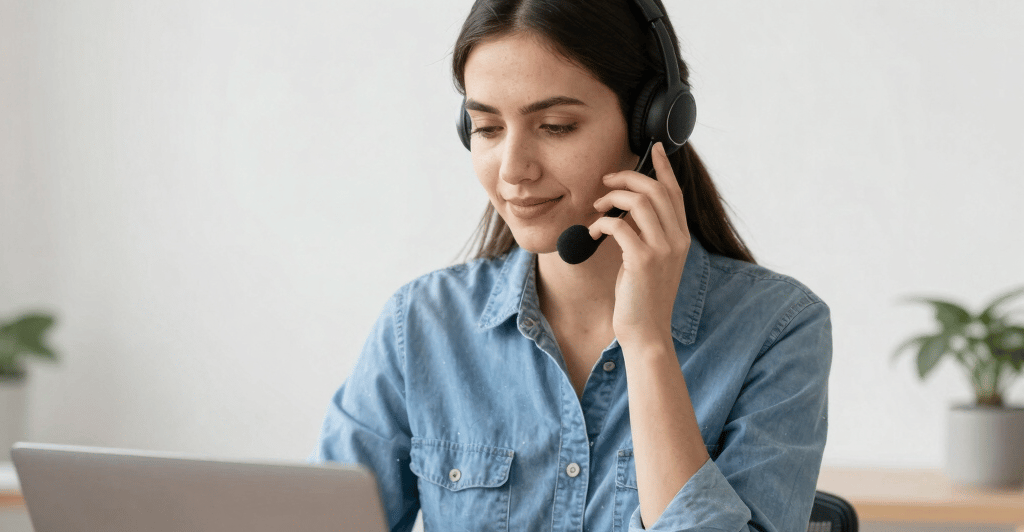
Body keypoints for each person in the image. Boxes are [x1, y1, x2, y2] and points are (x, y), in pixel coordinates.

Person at [313, 0, 831, 530]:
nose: (513, 170)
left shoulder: (779, 330)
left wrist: (648, 340)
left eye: (555, 126)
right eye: (487, 128)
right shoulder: (420, 323)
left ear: (652, 124)